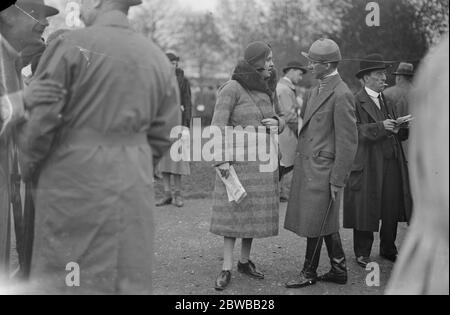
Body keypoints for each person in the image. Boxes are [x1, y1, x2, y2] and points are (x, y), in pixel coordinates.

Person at [18, 0, 180, 294]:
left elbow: (40, 121)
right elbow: (166, 131)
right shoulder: (156, 57)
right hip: (133, 184)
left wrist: (29, 167)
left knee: (70, 275)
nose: (78, 8)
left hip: (73, 182)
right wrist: (133, 158)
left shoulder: (70, 46)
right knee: (125, 272)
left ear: (96, 2)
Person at [210, 41, 285, 291]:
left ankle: (244, 261)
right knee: (233, 216)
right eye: (268, 59)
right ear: (256, 63)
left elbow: (276, 118)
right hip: (237, 166)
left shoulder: (265, 90)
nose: (272, 63)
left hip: (262, 166)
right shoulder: (231, 88)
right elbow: (218, 126)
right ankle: (226, 267)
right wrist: (221, 160)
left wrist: (278, 124)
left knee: (251, 215)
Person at [285, 38, 358, 289]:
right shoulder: (316, 89)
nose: (309, 65)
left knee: (316, 219)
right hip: (311, 166)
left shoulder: (342, 93)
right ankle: (339, 269)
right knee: (322, 218)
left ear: (326, 65)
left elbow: (348, 143)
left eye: (313, 62)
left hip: (324, 170)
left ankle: (309, 272)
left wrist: (338, 179)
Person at [0, 0, 64, 280]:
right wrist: (24, 101)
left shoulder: (10, 55)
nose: (46, 23)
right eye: (38, 16)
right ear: (8, 16)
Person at [387, 35, 449, 295]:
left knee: (395, 200)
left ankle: (388, 245)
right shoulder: (429, 80)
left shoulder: (390, 93)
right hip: (419, 158)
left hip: (402, 153)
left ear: (397, 75)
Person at [344, 54, 413, 268]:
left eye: (384, 74)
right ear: (365, 78)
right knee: (366, 205)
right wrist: (382, 127)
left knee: (391, 206)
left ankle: (388, 248)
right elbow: (352, 132)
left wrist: (401, 128)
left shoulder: (388, 100)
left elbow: (394, 131)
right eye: (379, 75)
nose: (385, 78)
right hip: (368, 164)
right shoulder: (355, 101)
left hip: (391, 161)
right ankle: (362, 252)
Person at [156, 52, 192, 208]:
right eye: (169, 62)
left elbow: (188, 103)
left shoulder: (183, 81)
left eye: (174, 62)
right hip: (163, 125)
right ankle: (167, 194)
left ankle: (178, 194)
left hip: (178, 124)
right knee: (164, 162)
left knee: (177, 161)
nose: (172, 65)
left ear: (177, 64)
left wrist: (186, 125)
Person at [276, 61, 307, 202]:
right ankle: (283, 193)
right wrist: (299, 132)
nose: (300, 78)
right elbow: (289, 115)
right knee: (286, 164)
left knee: (283, 164)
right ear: (292, 71)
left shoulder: (283, 87)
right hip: (286, 132)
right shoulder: (284, 89)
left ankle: (281, 193)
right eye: (299, 74)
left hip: (283, 131)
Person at [384, 62, 415, 156]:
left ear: (399, 77)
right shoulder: (421, 94)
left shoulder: (387, 94)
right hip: (416, 143)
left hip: (395, 144)